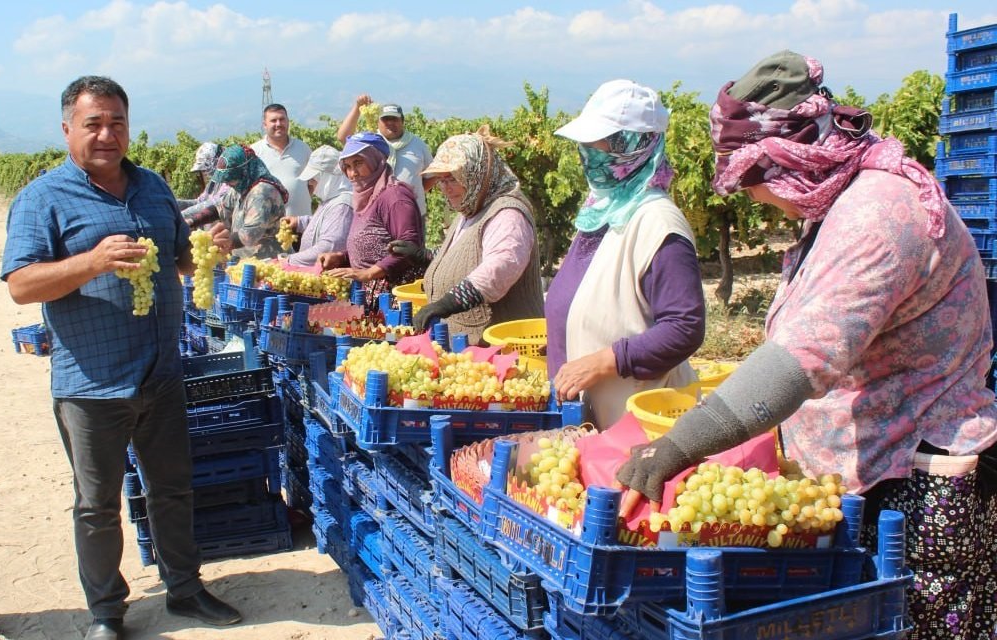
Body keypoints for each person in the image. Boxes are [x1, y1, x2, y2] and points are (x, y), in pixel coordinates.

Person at [615, 51, 997, 640]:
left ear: (791, 156)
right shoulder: (840, 204)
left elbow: (802, 359)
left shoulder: (877, 213)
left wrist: (679, 446)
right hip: (864, 476)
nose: (751, 197)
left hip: (911, 490)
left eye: (753, 180)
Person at [0, 76, 241, 640]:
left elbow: (180, 261)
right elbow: (21, 284)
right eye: (93, 123)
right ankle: (107, 612)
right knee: (97, 505)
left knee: (173, 488)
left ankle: (185, 589)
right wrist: (91, 262)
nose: (107, 134)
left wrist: (212, 248)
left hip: (161, 371)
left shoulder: (154, 187)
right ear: (67, 130)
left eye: (117, 123)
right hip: (90, 382)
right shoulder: (43, 198)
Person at [544, 79, 705, 429]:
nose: (587, 154)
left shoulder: (658, 221)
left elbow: (685, 326)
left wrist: (604, 361)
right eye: (584, 145)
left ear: (631, 146)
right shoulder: (605, 209)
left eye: (597, 144)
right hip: (594, 424)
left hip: (634, 426)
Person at [405, 127, 544, 345]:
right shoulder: (471, 208)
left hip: (503, 352)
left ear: (476, 173)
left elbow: (502, 265)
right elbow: (465, 256)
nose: (445, 188)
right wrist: (425, 255)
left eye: (452, 178)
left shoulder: (508, 213)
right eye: (441, 180)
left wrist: (449, 303)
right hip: (467, 348)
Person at [319, 132, 425, 305]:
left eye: (358, 163)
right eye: (347, 166)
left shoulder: (394, 196)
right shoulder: (366, 197)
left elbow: (409, 246)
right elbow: (375, 245)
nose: (352, 173)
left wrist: (369, 273)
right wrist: (342, 257)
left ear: (376, 160)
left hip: (393, 299)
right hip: (368, 295)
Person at [337, 96, 433, 221]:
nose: (390, 123)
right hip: (377, 214)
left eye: (394, 119)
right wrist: (357, 107)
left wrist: (411, 193)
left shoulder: (418, 144)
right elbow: (343, 137)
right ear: (378, 122)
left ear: (402, 121)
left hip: (412, 214)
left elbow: (431, 175)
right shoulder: (370, 142)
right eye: (385, 119)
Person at [205, 143, 289, 259]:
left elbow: (250, 234)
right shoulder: (242, 187)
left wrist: (224, 241)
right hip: (248, 261)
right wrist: (189, 220)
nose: (227, 183)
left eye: (230, 178)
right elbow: (219, 208)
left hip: (269, 260)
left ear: (245, 172)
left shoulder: (262, 192)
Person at [283, 145, 354, 267]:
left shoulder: (342, 206)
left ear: (328, 178)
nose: (310, 182)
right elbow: (326, 223)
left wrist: (289, 260)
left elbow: (329, 247)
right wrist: (300, 222)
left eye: (314, 178)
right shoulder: (331, 199)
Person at [250, 103, 312, 219]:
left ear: (288, 121)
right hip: (268, 229)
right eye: (273, 120)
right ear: (264, 125)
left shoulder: (303, 148)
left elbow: (312, 183)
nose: (278, 124)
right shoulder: (254, 152)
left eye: (282, 119)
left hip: (301, 223)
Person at [177, 141, 237, 225]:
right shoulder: (214, 181)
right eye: (203, 170)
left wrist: (182, 215)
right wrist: (174, 203)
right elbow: (199, 202)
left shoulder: (232, 180)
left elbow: (215, 204)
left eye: (206, 168)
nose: (205, 172)